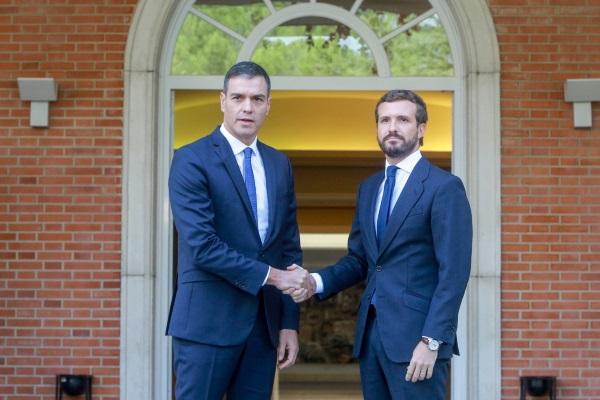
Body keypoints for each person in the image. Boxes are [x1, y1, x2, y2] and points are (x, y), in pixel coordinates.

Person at [289, 90, 472, 400]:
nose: (392, 127)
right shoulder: (370, 189)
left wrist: (432, 341)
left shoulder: (444, 188)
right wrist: (315, 281)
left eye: (403, 119)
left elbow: (453, 273)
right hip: (371, 338)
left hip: (417, 342)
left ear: (422, 128)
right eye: (385, 120)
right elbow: (360, 260)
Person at [166, 61, 309, 400]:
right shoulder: (191, 159)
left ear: (268, 105)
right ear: (222, 101)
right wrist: (274, 276)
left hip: (263, 328)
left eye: (258, 99)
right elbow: (202, 245)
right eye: (238, 97)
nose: (248, 107)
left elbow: (288, 246)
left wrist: (289, 322)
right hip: (206, 323)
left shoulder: (279, 164)